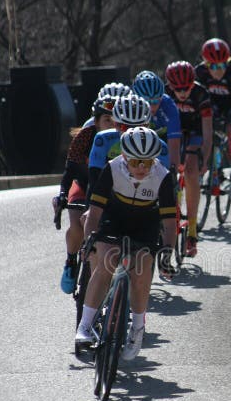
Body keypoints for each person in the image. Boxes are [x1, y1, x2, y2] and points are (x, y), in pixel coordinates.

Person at [74, 127, 177, 360]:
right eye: (136, 162)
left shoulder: (162, 176)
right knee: (106, 262)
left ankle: (137, 327)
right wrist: (90, 240)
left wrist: (166, 255)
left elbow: (169, 222)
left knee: (141, 271)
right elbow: (95, 211)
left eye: (148, 163)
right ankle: (85, 325)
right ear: (125, 158)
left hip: (145, 223)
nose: (142, 168)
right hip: (114, 218)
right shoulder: (112, 169)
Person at [55, 95, 116, 294]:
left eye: (116, 119)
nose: (112, 124)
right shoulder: (85, 136)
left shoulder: (124, 138)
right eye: (107, 119)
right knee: (76, 223)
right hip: (83, 185)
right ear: (96, 122)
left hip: (110, 191)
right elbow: (70, 169)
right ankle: (71, 261)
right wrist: (62, 194)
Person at [164, 60, 212, 257]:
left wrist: (205, 160)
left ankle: (192, 231)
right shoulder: (165, 94)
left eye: (187, 88)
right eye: (178, 88)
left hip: (196, 133)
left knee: (191, 171)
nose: (183, 92)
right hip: (173, 133)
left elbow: (208, 132)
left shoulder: (201, 94)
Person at [195, 38, 231, 200]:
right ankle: (211, 168)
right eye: (213, 66)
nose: (218, 71)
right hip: (212, 104)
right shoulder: (199, 73)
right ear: (205, 63)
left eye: (222, 65)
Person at [86, 93, 169, 197]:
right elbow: (94, 180)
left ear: (148, 126)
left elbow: (166, 186)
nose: (131, 132)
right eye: (125, 126)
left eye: (139, 126)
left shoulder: (161, 147)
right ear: (115, 124)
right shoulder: (103, 139)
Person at [132, 71, 182, 170]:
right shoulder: (130, 105)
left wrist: (172, 172)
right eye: (146, 101)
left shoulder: (168, 106)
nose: (151, 106)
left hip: (162, 141)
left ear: (161, 98)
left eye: (155, 101)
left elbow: (174, 145)